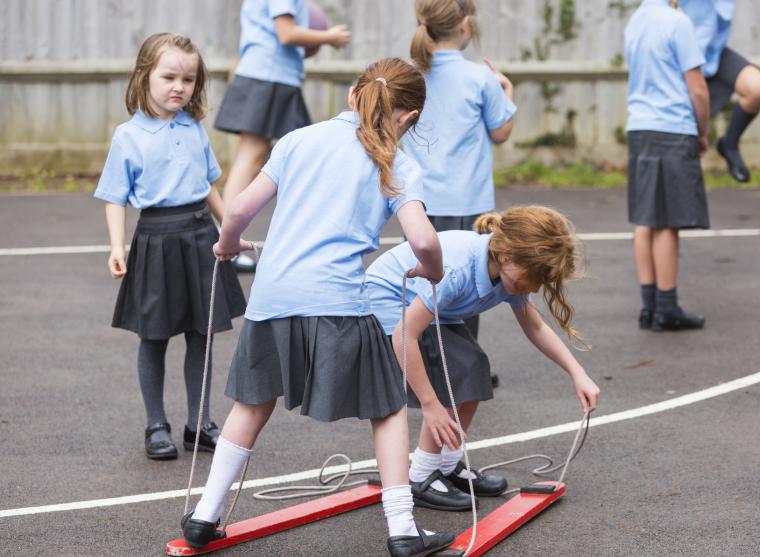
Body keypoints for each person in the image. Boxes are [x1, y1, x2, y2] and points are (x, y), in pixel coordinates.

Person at [180, 58, 455, 557]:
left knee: (250, 406)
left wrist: (227, 244)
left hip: (272, 299)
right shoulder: (395, 163)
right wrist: (432, 271)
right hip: (337, 301)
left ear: (353, 95)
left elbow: (240, 207)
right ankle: (402, 530)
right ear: (409, 117)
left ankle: (204, 516)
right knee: (390, 405)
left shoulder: (297, 140)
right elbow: (425, 239)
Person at [365, 206, 601, 510]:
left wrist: (577, 373)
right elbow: (403, 335)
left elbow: (535, 326)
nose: (534, 287)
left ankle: (447, 466)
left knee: (473, 366)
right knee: (451, 369)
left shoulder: (510, 269)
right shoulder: (458, 269)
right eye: (532, 278)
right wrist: (431, 405)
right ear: (505, 256)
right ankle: (421, 475)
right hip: (388, 305)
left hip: (432, 312)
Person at [94, 33, 247, 461]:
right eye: (169, 77)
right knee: (154, 337)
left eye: (189, 79)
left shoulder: (194, 128)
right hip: (156, 241)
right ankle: (155, 424)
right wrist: (116, 246)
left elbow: (209, 187)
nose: (179, 86)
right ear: (144, 76)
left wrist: (228, 231)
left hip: (200, 238)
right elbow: (114, 197)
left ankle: (199, 424)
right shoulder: (128, 136)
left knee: (202, 336)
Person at [405, 0, 516, 381]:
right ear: (465, 25)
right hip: (470, 202)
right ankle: (464, 367)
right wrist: (507, 89)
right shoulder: (479, 78)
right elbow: (500, 132)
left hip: (419, 203)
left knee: (426, 284)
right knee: (470, 282)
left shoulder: (412, 76)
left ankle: (425, 364)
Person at [215, 0, 351, 272]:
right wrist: (329, 37)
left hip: (272, 75)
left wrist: (311, 43)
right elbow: (286, 34)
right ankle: (227, 238)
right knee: (253, 157)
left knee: (275, 158)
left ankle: (228, 236)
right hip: (267, 76)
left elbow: (285, 36)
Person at [625, 0, 710, 332]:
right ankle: (667, 306)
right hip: (671, 126)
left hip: (639, 126)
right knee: (667, 223)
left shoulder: (636, 20)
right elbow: (698, 89)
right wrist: (702, 130)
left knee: (646, 218)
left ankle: (649, 306)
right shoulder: (678, 22)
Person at [679, 0, 760, 182]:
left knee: (758, 88)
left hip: (713, 54)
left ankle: (729, 144)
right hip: (683, 58)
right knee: (686, 138)